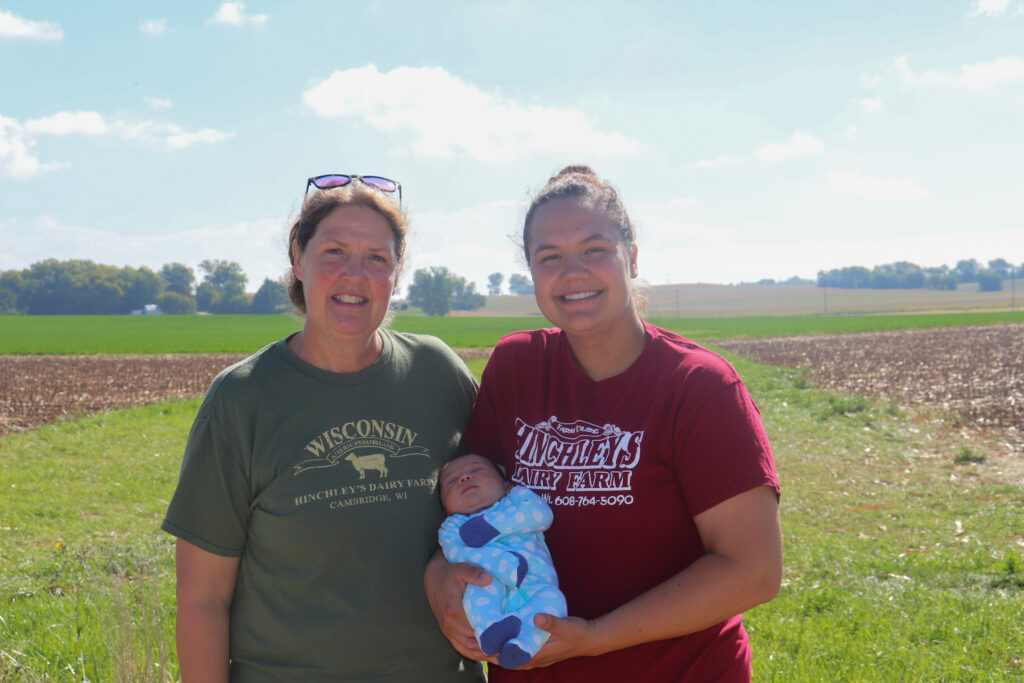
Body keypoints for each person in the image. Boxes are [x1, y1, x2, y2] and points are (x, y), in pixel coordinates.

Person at [426, 165, 782, 681]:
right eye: (549, 258)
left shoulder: (697, 386)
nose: (572, 272)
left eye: (594, 249)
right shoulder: (516, 366)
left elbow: (753, 571)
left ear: (631, 258)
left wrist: (594, 638)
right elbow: (468, 496)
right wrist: (439, 575)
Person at [162, 174, 482, 682]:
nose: (354, 275)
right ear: (298, 257)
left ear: (396, 273)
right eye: (334, 251)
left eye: (377, 258)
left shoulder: (438, 373)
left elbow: (499, 507)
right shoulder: (243, 398)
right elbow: (203, 598)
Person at [438, 454, 568, 670]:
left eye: (478, 469)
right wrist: (502, 564)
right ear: (445, 507)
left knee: (554, 600)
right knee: (479, 586)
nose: (464, 477)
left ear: (506, 484)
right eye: (451, 482)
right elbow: (456, 553)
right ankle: (489, 628)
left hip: (537, 586)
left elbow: (541, 515)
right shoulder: (452, 526)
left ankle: (522, 645)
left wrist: (491, 527)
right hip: (493, 585)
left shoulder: (516, 498)